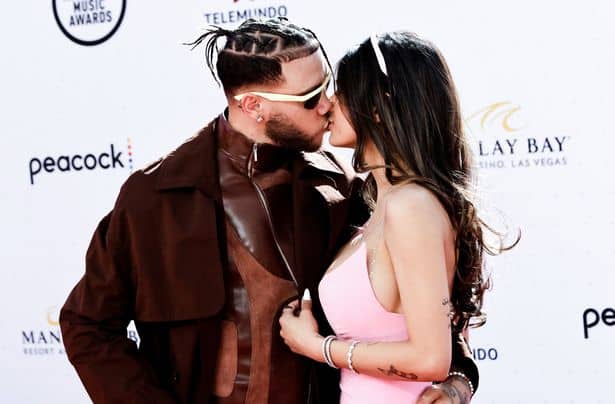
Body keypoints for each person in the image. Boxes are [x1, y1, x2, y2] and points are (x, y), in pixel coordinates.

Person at [60, 19, 477, 404]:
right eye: (311, 98)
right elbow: (87, 326)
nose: (328, 104)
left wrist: (458, 379)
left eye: (328, 86)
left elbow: (425, 306)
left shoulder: (342, 187)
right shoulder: (155, 197)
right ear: (254, 105)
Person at [279, 31, 502, 404]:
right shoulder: (380, 203)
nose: (328, 103)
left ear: (379, 107)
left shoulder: (410, 207)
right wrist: (459, 383)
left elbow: (431, 357)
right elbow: (450, 332)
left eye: (342, 91)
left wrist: (318, 347)